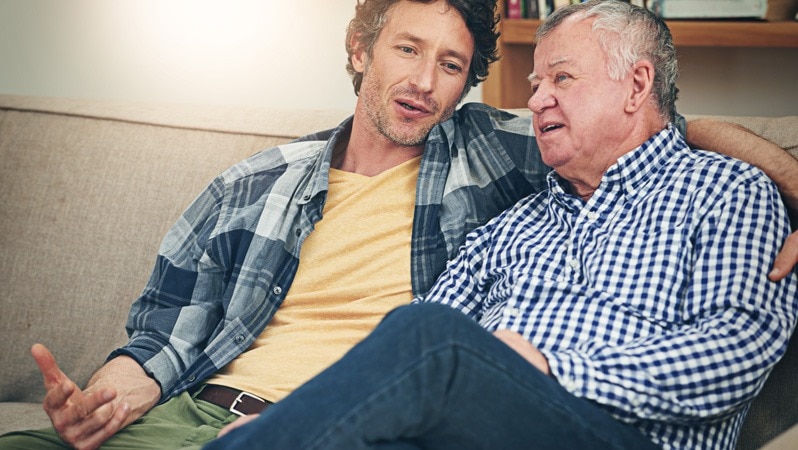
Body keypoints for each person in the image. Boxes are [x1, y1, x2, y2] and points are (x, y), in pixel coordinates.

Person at [1, 0, 796, 449]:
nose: (540, 97)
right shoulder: (521, 214)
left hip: (611, 433)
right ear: (360, 49)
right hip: (427, 427)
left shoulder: (718, 192)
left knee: (427, 340)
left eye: (562, 77)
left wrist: (544, 371)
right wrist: (112, 390)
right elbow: (166, 331)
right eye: (537, 79)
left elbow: (737, 349)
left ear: (637, 85)